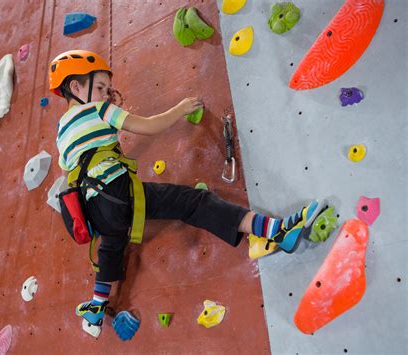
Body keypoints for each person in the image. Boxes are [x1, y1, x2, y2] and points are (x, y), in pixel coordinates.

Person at [49, 50, 325, 333]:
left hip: (94, 210)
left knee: (111, 246)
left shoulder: (60, 132)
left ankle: (96, 307)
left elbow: (66, 171)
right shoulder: (98, 110)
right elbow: (148, 125)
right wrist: (180, 109)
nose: (106, 95)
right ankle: (274, 230)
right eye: (99, 88)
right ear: (75, 87)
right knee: (192, 202)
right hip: (117, 191)